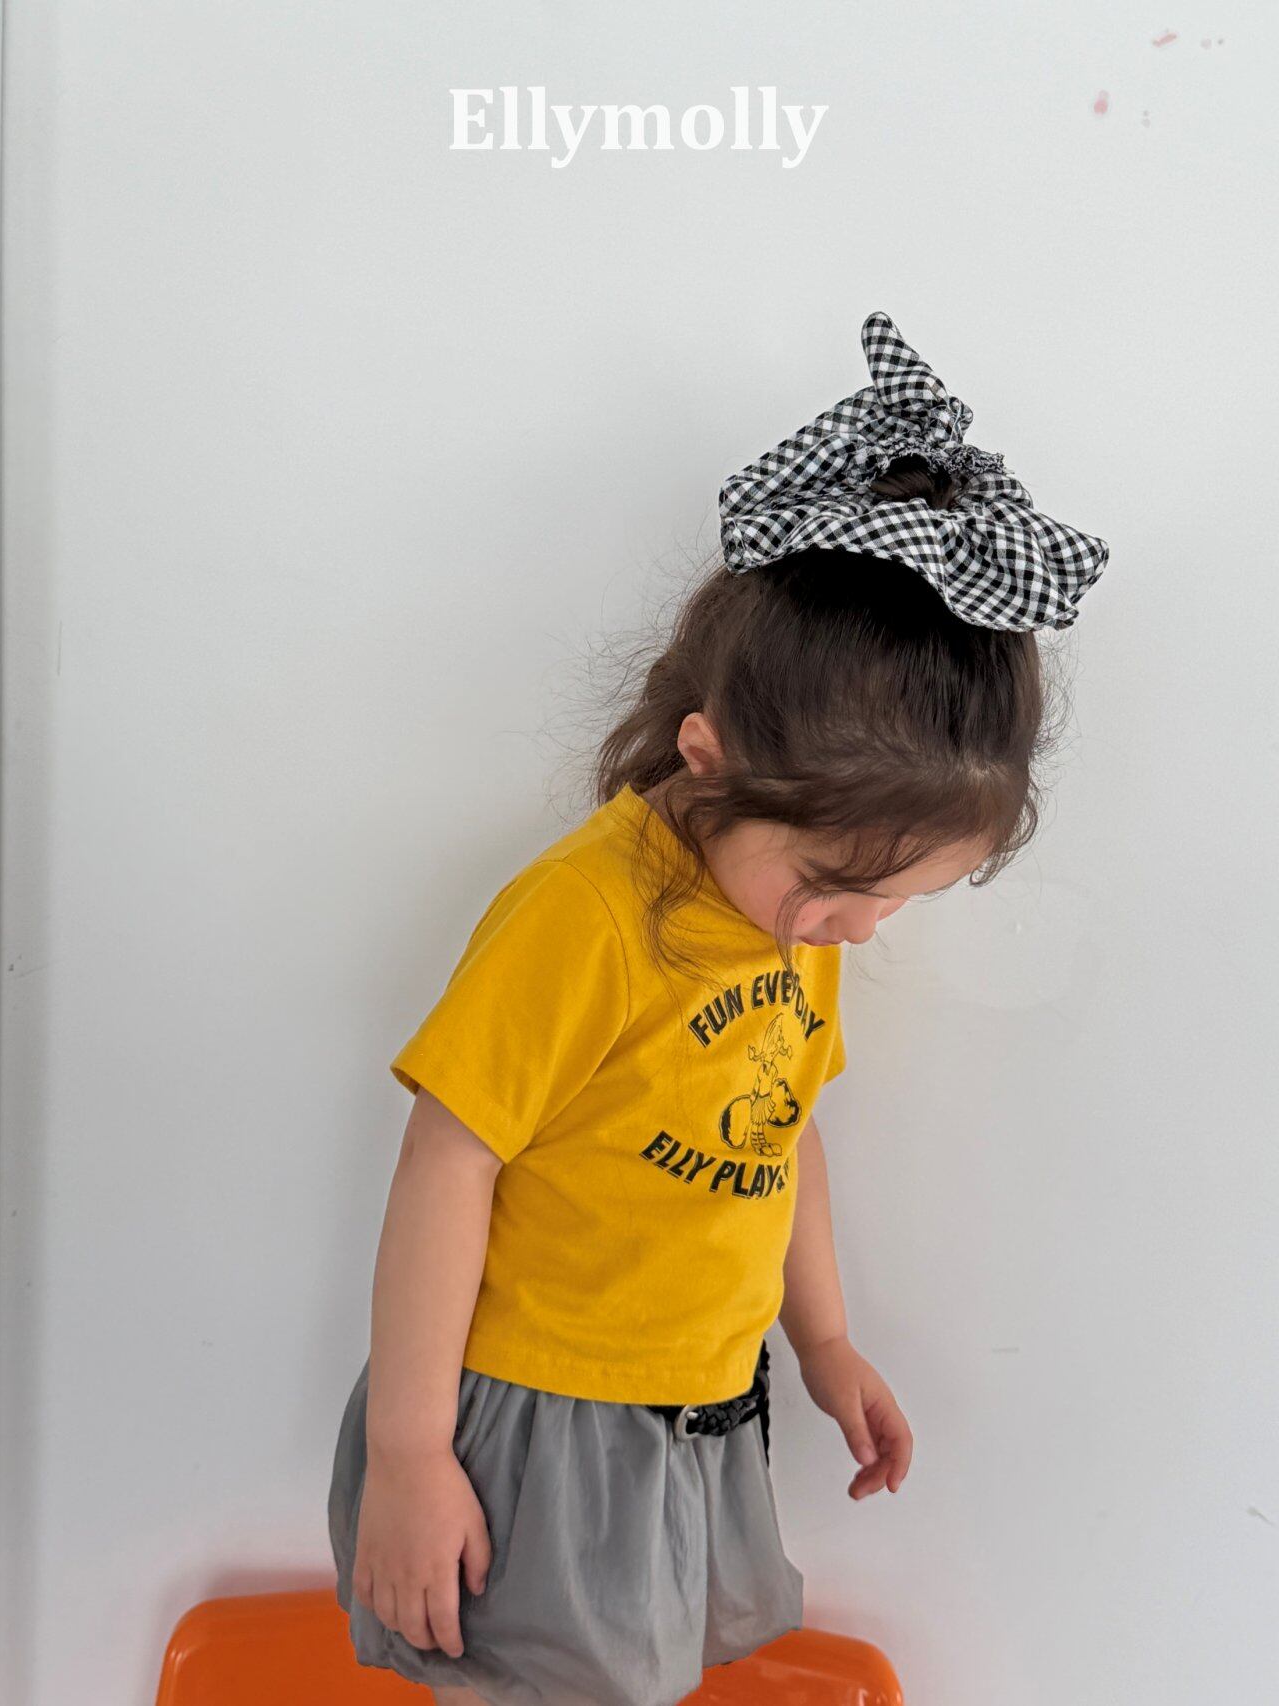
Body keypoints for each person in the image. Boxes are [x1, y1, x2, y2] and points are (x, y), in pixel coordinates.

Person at [327, 310, 1109, 1706]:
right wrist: (407, 1453)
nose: (859, 929)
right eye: (839, 888)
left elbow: (783, 1132)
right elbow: (446, 1162)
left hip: (695, 1401)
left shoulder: (789, 915)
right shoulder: (587, 916)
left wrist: (824, 1341)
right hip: (550, 1417)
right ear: (708, 756)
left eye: (899, 901)